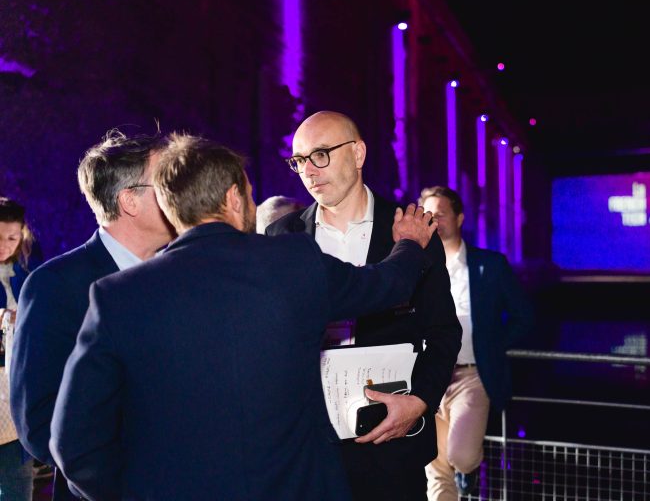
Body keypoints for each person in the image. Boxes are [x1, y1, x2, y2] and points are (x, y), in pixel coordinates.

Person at [49, 133, 437, 501]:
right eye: (250, 194)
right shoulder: (294, 263)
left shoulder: (118, 295)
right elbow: (386, 286)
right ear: (234, 198)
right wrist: (409, 244)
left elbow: (75, 444)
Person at [267, 111, 462, 500]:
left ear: (357, 154)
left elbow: (443, 333)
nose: (308, 170)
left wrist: (419, 402)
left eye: (320, 154)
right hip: (308, 449)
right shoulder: (281, 236)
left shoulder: (413, 230)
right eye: (299, 160)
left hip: (390, 445)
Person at [10, 129, 175, 500]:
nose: (183, 192)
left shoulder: (182, 275)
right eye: (168, 183)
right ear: (129, 201)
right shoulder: (55, 286)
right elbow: (39, 426)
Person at [418, 186, 534, 500]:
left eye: (442, 213)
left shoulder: (490, 265)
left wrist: (495, 345)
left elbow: (525, 316)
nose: (435, 220)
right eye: (429, 214)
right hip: (428, 378)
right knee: (435, 471)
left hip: (471, 376)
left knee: (461, 456)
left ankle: (466, 472)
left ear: (459, 217)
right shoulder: (416, 269)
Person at [0, 197, 41, 501]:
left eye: (12, 238)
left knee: (18, 490)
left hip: (14, 405)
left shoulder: (26, 279)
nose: (4, 245)